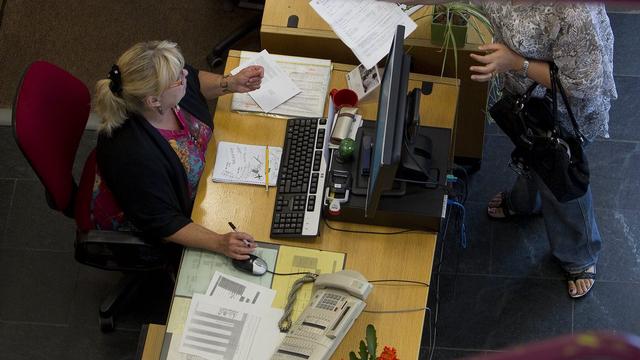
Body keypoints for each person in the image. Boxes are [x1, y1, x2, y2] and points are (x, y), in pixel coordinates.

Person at [468, 2, 617, 298]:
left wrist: (516, 63)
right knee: (532, 155)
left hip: (565, 113)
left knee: (561, 178)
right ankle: (526, 204)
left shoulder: (575, 11)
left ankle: (579, 255)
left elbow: (582, 85)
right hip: (526, 99)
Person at [92, 40, 265, 261]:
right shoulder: (133, 156)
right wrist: (220, 243)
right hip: (152, 219)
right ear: (153, 100)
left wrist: (230, 83)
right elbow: (163, 221)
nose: (185, 74)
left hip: (199, 182)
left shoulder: (166, 96)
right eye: (178, 78)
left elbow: (193, 79)